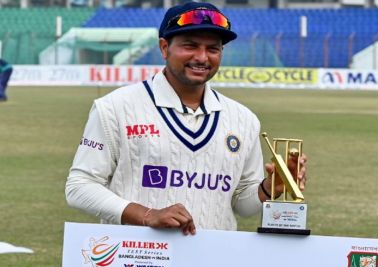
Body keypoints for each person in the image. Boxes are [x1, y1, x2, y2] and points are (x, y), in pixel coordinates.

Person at [65, 1, 307, 235]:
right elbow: (80, 186)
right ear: (164, 48)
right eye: (190, 46)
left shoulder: (243, 119)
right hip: (137, 258)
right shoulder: (115, 107)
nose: (202, 57)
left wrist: (268, 189)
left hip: (212, 259)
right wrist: (146, 214)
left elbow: (242, 204)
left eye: (213, 49)